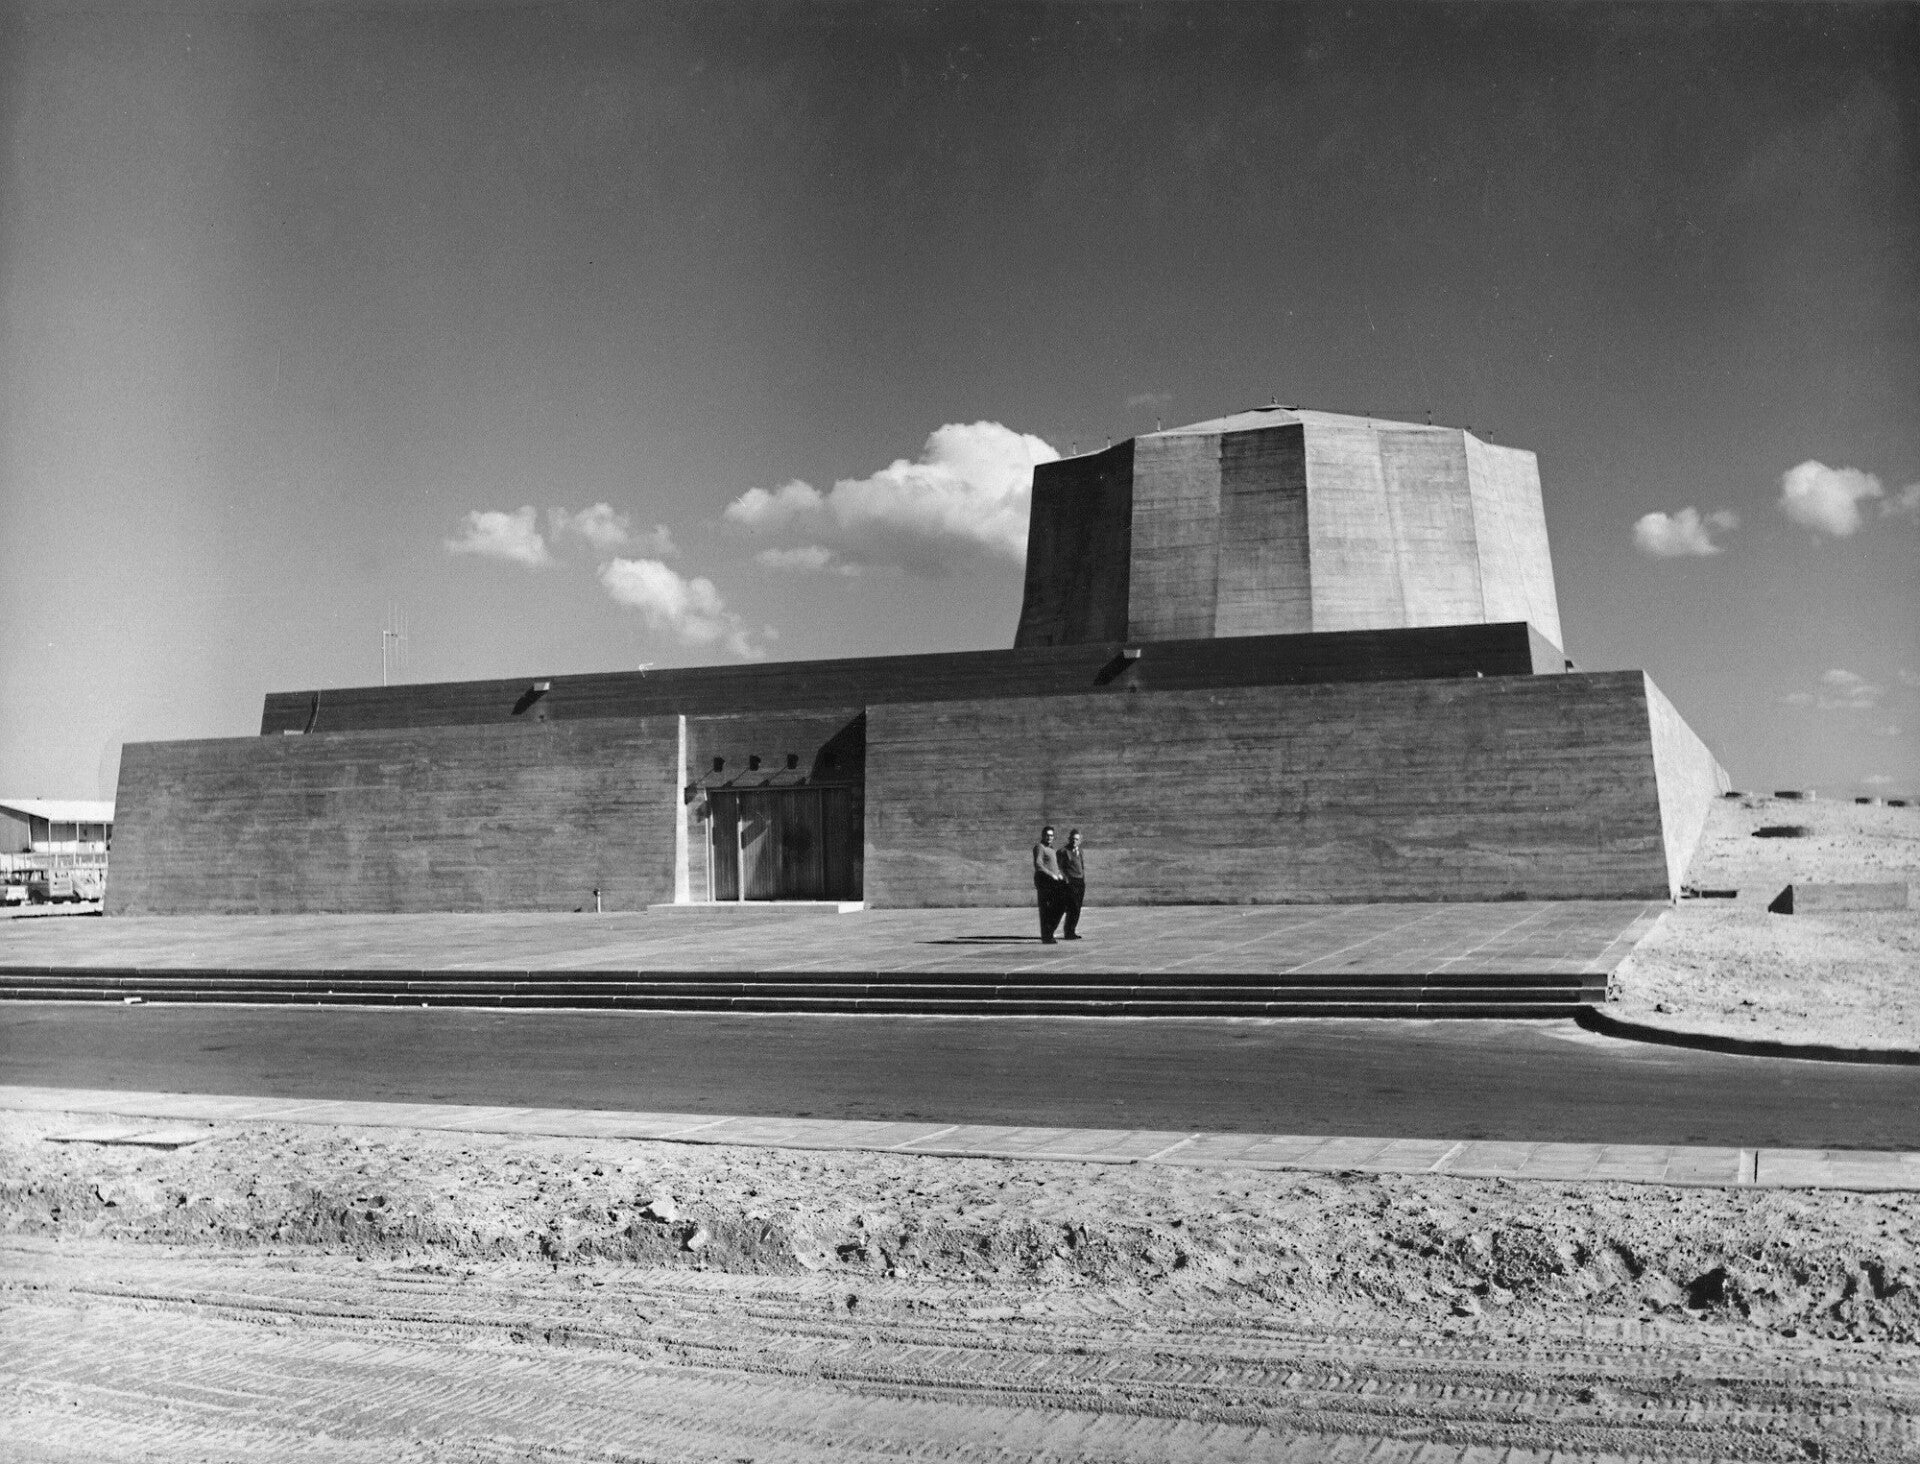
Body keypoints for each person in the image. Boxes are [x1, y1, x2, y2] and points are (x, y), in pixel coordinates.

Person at [1031, 824, 1066, 943]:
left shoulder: (1052, 849)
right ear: (1043, 836)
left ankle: (1050, 930)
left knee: (1060, 905)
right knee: (1046, 909)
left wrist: (1059, 874)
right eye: (1047, 835)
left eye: (1051, 836)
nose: (1049, 838)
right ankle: (1047, 936)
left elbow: (1054, 866)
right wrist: (1051, 874)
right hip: (1045, 881)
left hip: (1054, 881)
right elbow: (1038, 864)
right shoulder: (1040, 847)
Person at [1059, 828, 1087, 939]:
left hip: (1080, 882)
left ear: (1080, 841)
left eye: (1077, 839)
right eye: (1073, 839)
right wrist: (1065, 879)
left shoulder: (1080, 851)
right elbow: (1059, 867)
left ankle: (1072, 930)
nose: (1074, 841)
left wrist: (1083, 879)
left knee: (1078, 907)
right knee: (1072, 907)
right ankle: (1068, 931)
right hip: (1071, 882)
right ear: (1069, 839)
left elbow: (1082, 866)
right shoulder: (1063, 851)